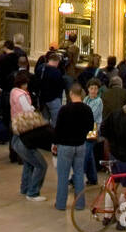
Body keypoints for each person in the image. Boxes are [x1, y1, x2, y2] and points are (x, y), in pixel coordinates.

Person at [10, 70, 50, 200]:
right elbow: (28, 109)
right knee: (40, 165)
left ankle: (25, 187)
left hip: (16, 131)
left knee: (28, 163)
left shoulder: (13, 92)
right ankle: (32, 192)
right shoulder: (22, 95)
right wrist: (34, 110)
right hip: (25, 133)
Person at [52, 83, 93, 211]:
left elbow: (58, 129)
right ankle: (80, 204)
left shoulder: (64, 109)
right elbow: (90, 127)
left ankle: (60, 204)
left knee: (63, 176)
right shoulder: (87, 109)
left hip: (65, 146)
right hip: (80, 144)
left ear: (70, 94)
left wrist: (55, 143)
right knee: (79, 175)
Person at [100, 95, 126, 194]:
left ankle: (110, 206)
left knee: (114, 181)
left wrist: (110, 140)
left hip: (113, 154)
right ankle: (122, 207)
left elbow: (103, 128)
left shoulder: (115, 113)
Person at [83, 77, 103, 185]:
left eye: (95, 89)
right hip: (85, 127)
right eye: (91, 88)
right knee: (89, 154)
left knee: (87, 151)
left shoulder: (98, 101)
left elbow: (92, 114)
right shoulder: (86, 99)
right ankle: (93, 178)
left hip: (93, 128)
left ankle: (78, 174)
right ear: (88, 89)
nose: (93, 91)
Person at [38, 51, 66, 126]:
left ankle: (46, 135)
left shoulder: (40, 68)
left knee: (44, 121)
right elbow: (60, 86)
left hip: (42, 99)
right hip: (54, 99)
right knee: (56, 121)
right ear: (57, 62)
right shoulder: (56, 72)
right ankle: (53, 136)